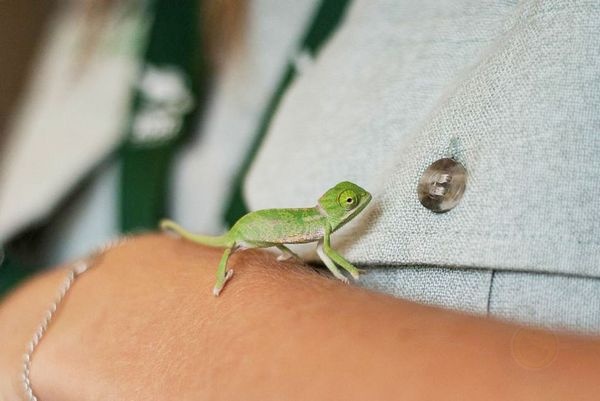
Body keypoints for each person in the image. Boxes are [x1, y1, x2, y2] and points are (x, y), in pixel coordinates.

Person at [1, 0, 600, 399]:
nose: (354, 212)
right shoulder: (102, 17)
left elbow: (333, 254)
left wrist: (103, 315)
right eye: (345, 208)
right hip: (244, 236)